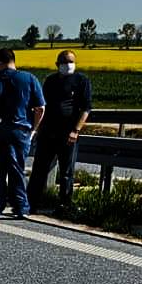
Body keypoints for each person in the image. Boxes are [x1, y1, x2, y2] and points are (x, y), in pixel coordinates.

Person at [0, 48, 46, 219]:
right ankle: (20, 207)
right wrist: (33, 129)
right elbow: (40, 108)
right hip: (19, 130)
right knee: (17, 168)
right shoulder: (29, 78)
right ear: (13, 61)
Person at [30, 49, 93, 206]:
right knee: (39, 168)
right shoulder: (50, 80)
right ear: (57, 64)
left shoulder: (81, 81)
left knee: (66, 171)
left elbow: (86, 108)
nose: (68, 65)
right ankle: (32, 202)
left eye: (71, 62)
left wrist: (76, 130)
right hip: (47, 132)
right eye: (64, 62)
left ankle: (64, 204)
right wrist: (38, 128)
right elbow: (42, 104)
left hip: (67, 133)